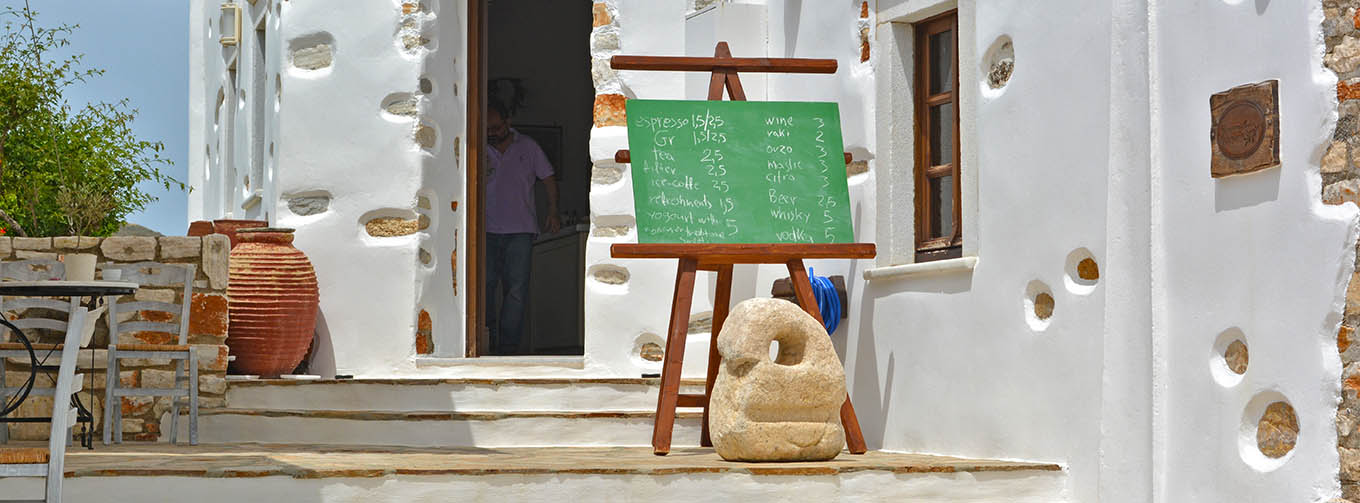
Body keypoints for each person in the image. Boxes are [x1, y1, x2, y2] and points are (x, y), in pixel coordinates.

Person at [485, 98, 559, 354]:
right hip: (484, 231)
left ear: (508, 123)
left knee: (516, 291)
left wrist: (553, 211)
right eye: (487, 129)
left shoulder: (528, 147)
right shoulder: (478, 148)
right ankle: (485, 343)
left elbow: (548, 178)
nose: (492, 133)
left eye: (496, 127)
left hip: (521, 230)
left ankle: (507, 348)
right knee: (483, 288)